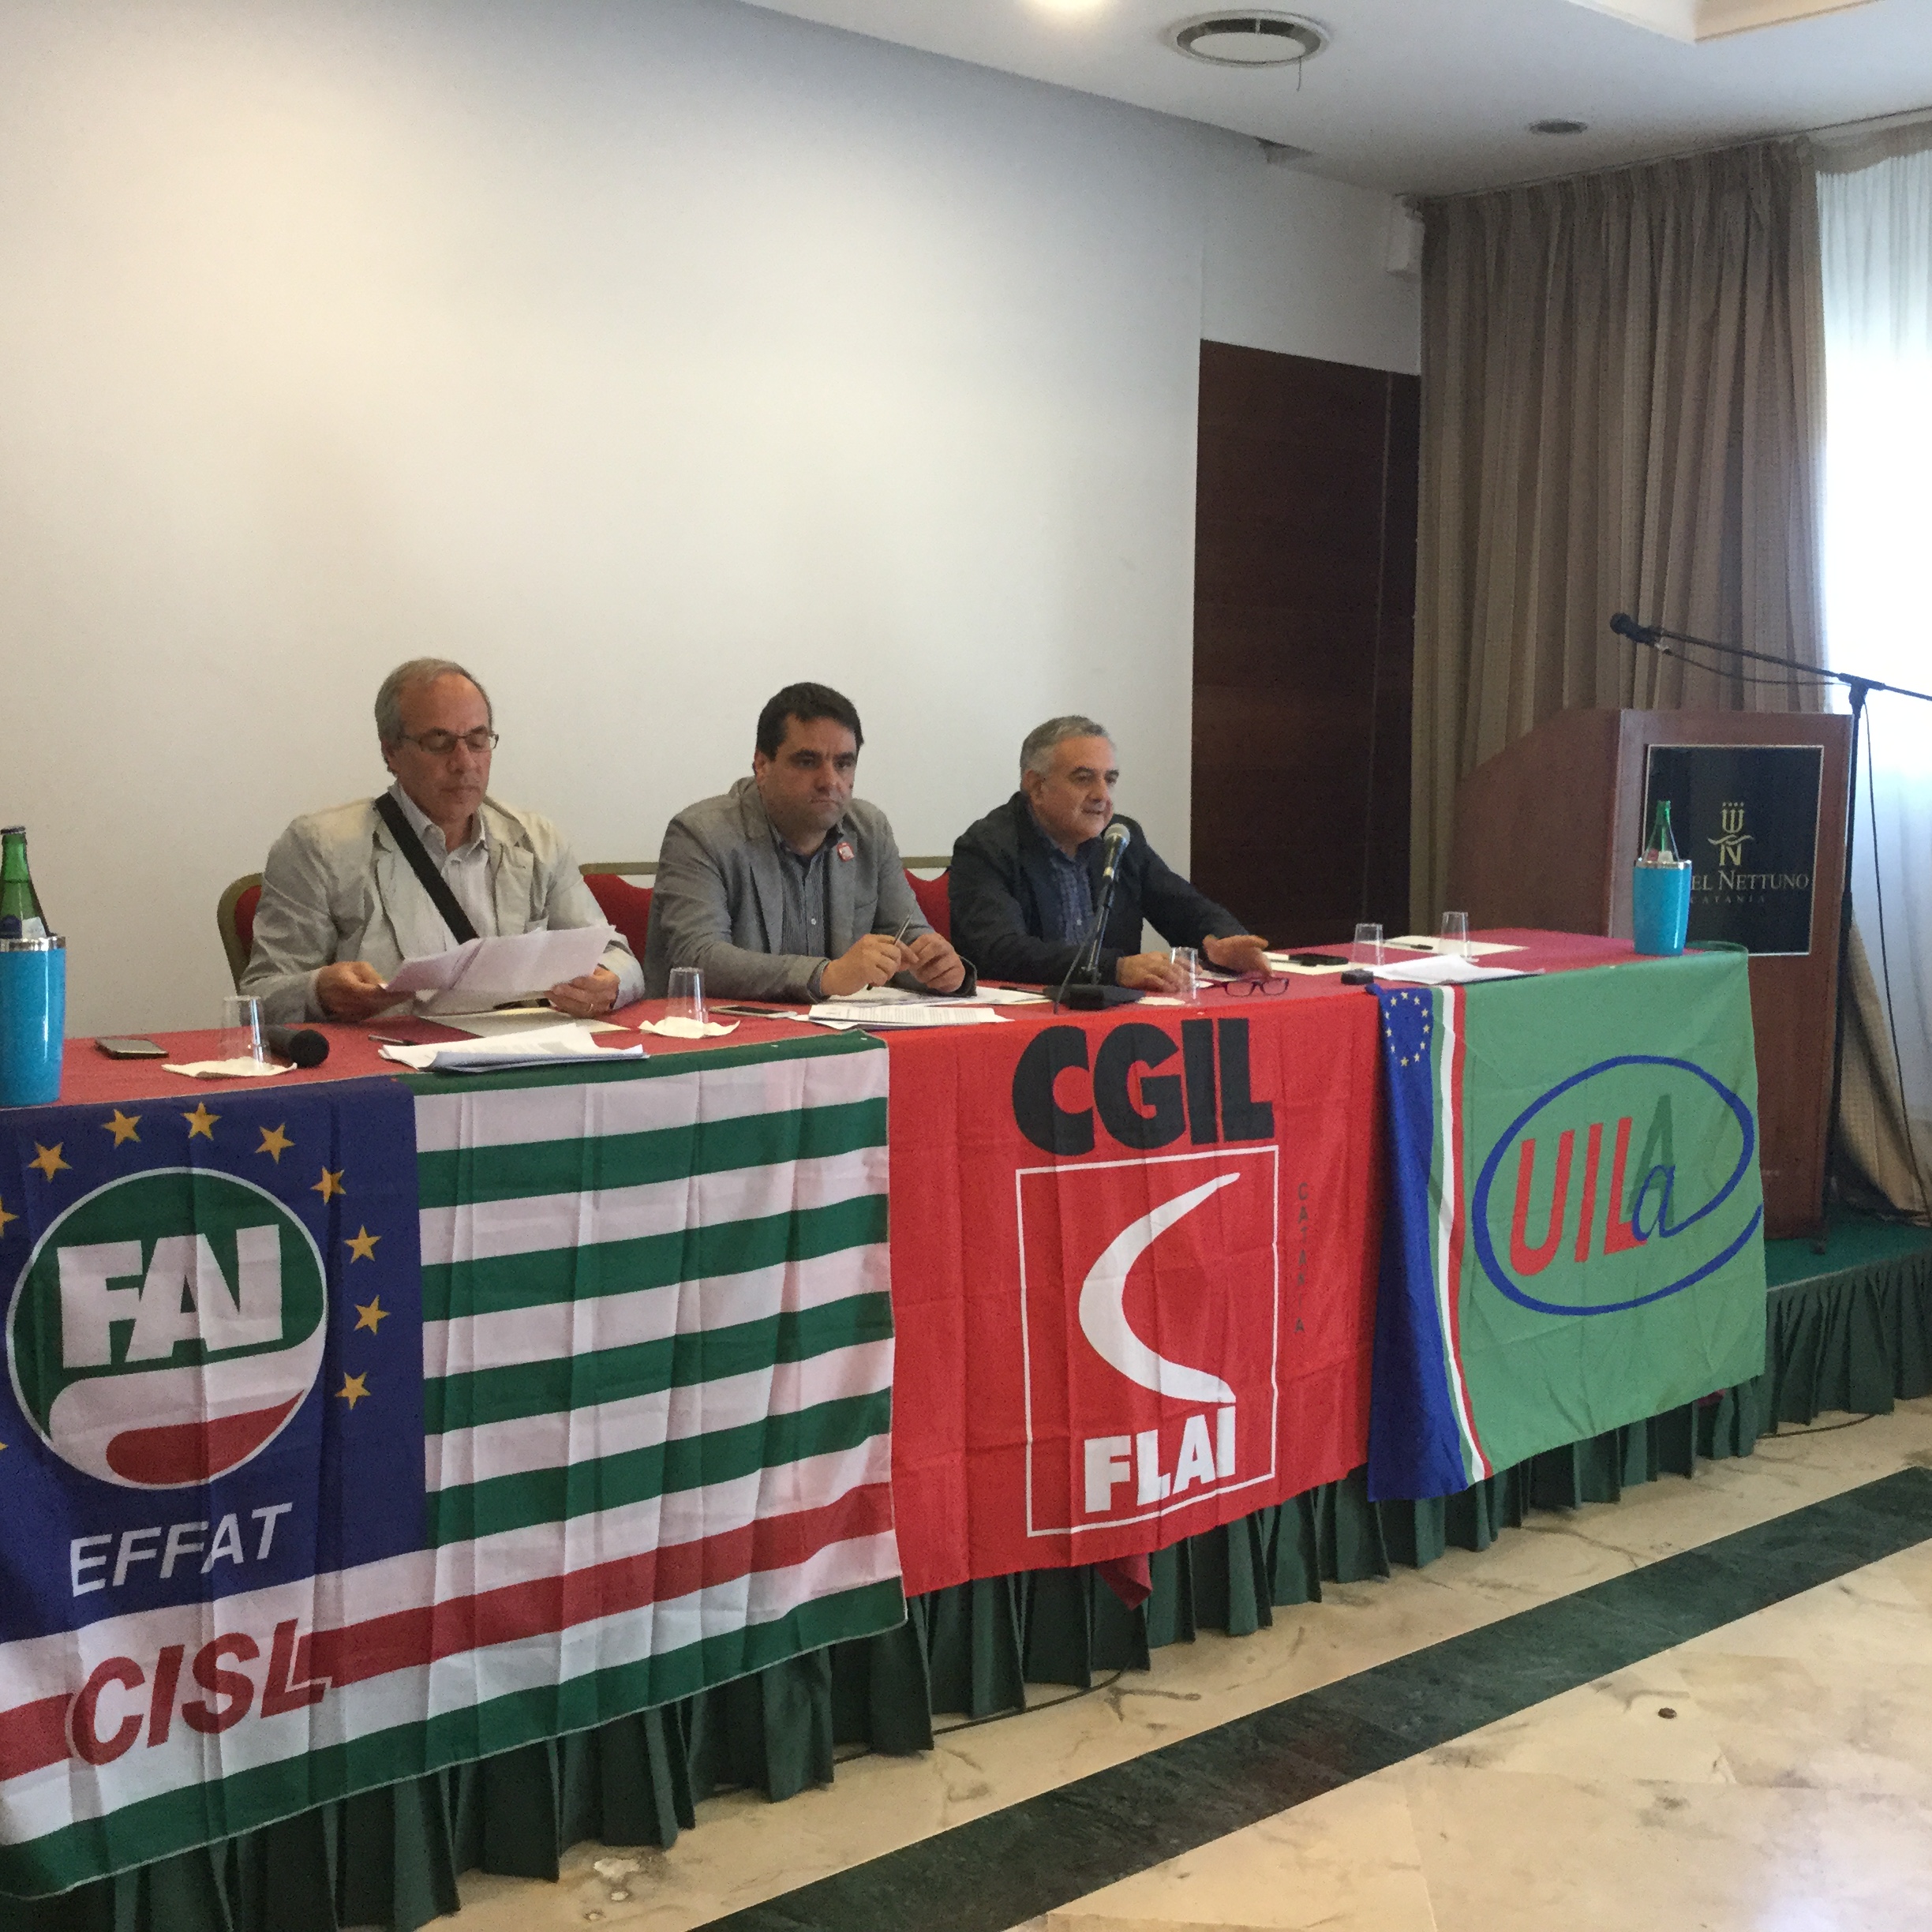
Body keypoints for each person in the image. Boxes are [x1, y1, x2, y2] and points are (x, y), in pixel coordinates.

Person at [241, 658, 642, 1024]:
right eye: (439, 742)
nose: (464, 762)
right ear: (391, 752)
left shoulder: (538, 840)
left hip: (519, 1059)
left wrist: (608, 984)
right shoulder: (319, 848)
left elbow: (618, 958)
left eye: (478, 740)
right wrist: (319, 993)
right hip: (388, 1063)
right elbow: (259, 997)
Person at [645, 682, 970, 1002]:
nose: (830, 781)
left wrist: (939, 970)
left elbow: (907, 937)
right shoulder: (700, 833)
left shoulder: (869, 830)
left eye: (844, 763)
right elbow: (699, 958)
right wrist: (825, 976)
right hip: (723, 1031)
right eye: (807, 761)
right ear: (762, 765)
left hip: (841, 1029)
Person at [948, 715, 1269, 992]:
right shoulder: (987, 847)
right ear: (1036, 786)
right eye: (1083, 778)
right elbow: (999, 951)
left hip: (1114, 1015)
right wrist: (1115, 969)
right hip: (1026, 1019)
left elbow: (1183, 907)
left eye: (1110, 779)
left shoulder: (1120, 837)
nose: (1102, 795)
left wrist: (1223, 941)